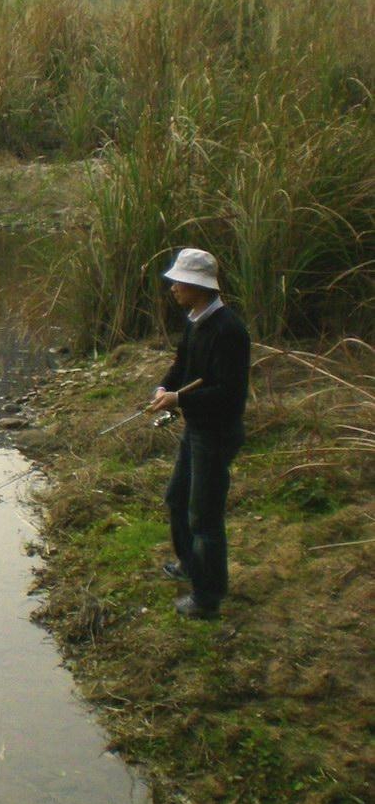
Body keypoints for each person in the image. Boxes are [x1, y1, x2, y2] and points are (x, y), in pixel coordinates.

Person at [146, 248, 251, 619]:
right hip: (198, 428)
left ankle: (207, 598)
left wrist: (179, 400)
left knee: (204, 517)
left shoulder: (229, 331)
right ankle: (190, 564)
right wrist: (164, 390)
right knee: (177, 499)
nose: (173, 287)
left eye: (179, 282)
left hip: (217, 433)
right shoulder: (195, 320)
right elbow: (181, 366)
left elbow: (229, 394)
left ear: (198, 286)